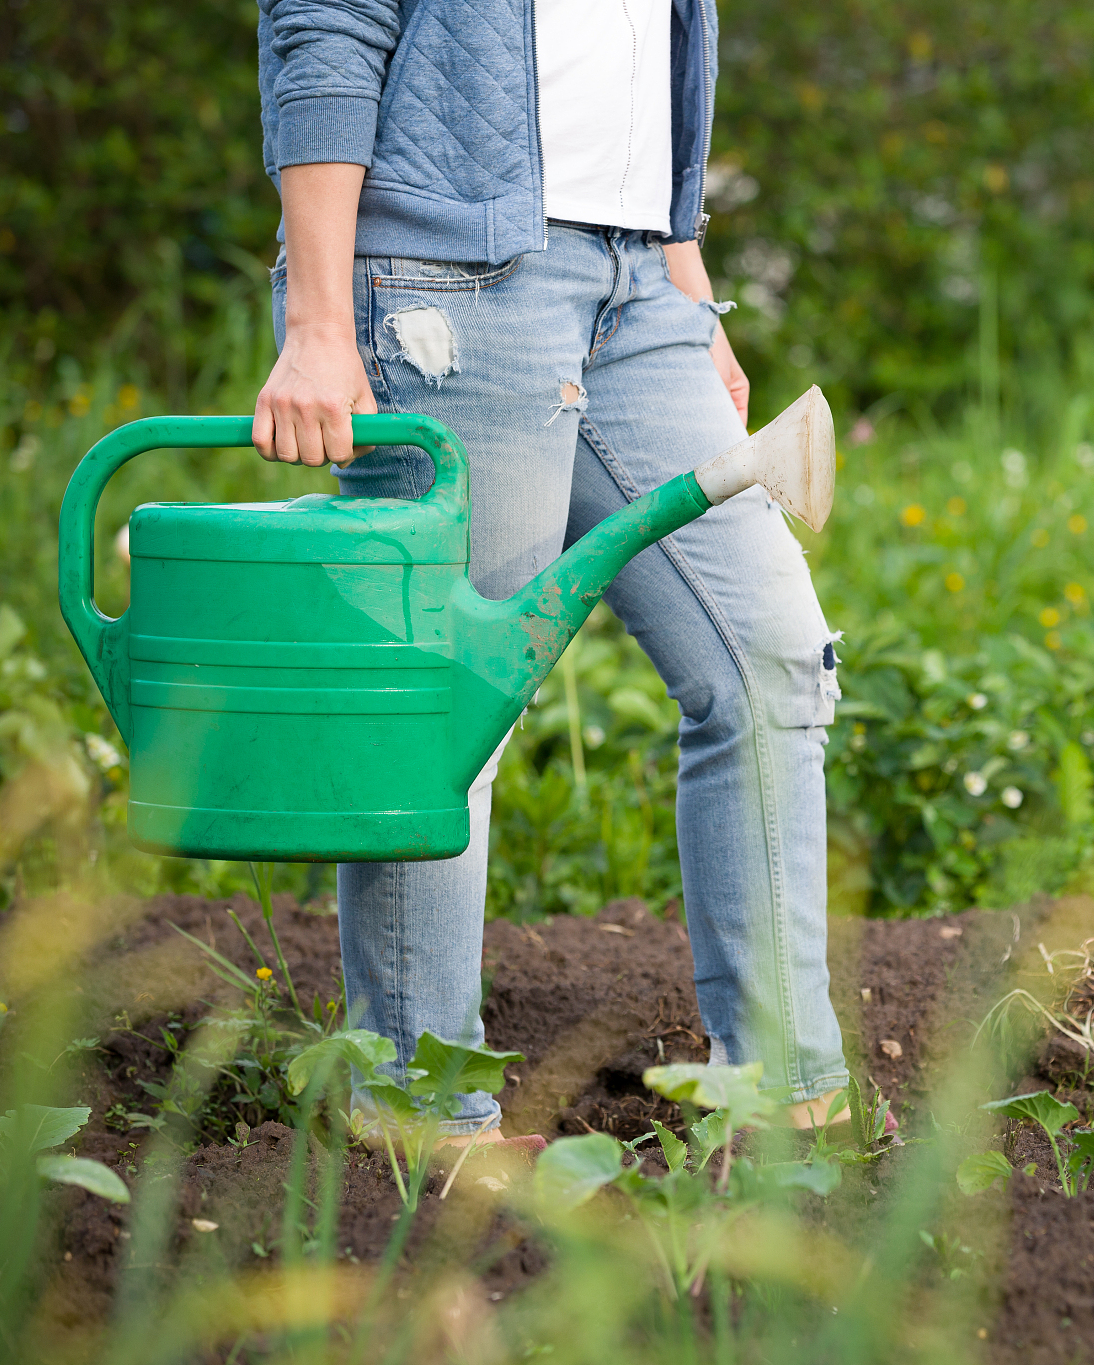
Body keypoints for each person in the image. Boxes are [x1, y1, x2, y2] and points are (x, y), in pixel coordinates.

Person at [254, 0, 853, 1141]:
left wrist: (680, 262)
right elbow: (327, 23)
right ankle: (417, 1102)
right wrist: (319, 317)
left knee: (768, 655)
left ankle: (782, 1086)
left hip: (636, 288)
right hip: (444, 277)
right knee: (448, 703)